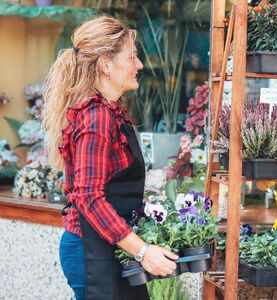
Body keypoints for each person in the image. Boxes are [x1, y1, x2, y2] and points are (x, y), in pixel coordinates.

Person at [41, 16, 178, 300]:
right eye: (132, 57)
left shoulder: (111, 111)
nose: (139, 65)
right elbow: (89, 197)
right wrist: (142, 250)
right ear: (106, 64)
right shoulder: (97, 117)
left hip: (107, 246)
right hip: (91, 252)